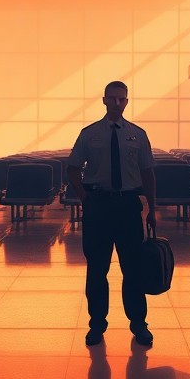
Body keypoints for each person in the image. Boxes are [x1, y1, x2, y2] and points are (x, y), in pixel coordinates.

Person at [68, 80, 157, 348]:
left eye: (122, 99)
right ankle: (97, 325)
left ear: (126, 102)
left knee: (133, 269)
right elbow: (73, 167)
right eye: (113, 99)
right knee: (97, 269)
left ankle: (139, 324)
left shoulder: (138, 135)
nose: (117, 103)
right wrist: (86, 199)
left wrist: (152, 208)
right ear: (104, 100)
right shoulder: (89, 134)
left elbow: (147, 172)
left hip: (128, 206)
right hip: (99, 207)